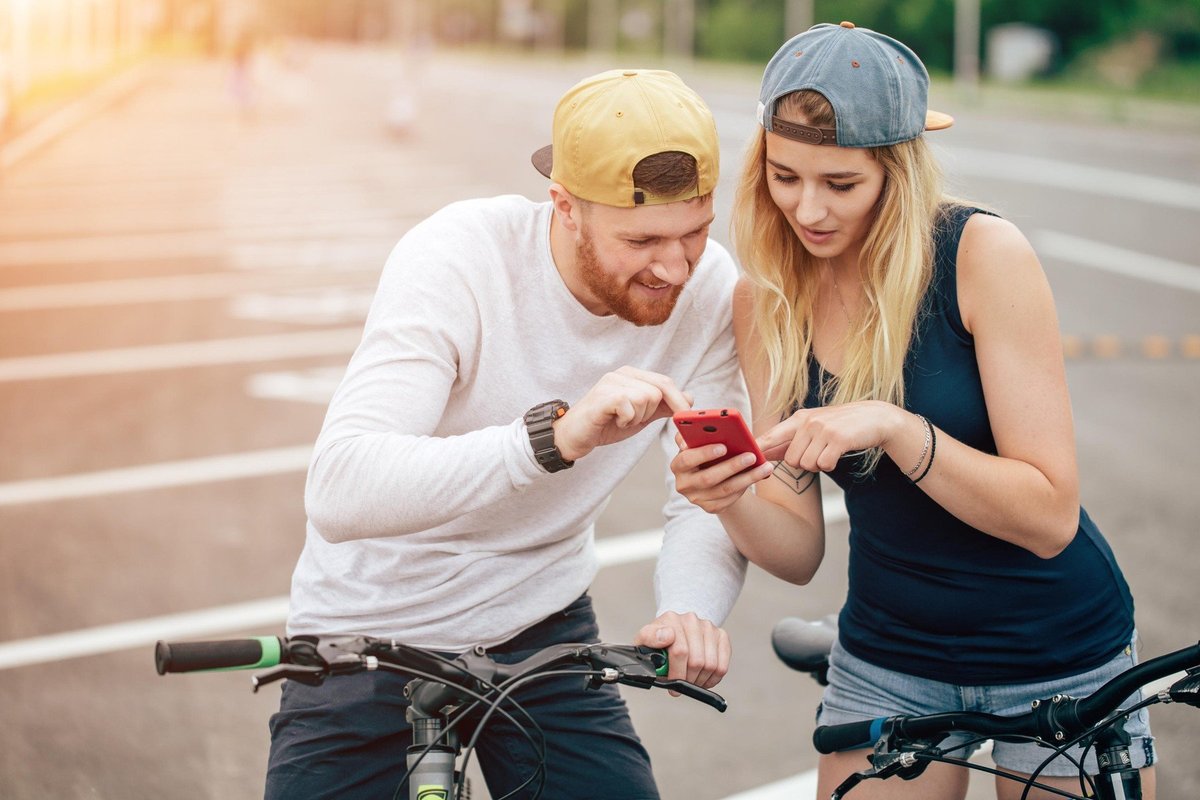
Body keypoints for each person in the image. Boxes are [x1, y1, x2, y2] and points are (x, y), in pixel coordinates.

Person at [670, 22, 1155, 800]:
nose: (807, 208)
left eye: (841, 183)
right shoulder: (763, 302)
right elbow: (797, 554)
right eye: (785, 177)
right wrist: (728, 496)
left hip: (1056, 651)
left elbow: (1049, 515)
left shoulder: (981, 255)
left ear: (897, 171)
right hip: (890, 657)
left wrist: (899, 430)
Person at [265, 68, 749, 799]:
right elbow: (340, 489)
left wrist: (690, 607)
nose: (675, 266)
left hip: (540, 623)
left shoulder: (707, 286)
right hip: (368, 629)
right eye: (644, 238)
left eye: (696, 230)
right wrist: (551, 440)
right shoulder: (460, 256)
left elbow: (706, 488)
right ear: (564, 207)